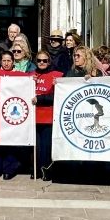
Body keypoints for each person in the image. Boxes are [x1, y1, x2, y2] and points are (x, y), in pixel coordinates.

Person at [31, 50, 64, 181]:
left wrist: (40, 98)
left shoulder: (57, 75)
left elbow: (58, 95)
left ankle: (46, 171)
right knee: (35, 147)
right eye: (39, 60)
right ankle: (36, 170)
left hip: (48, 117)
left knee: (46, 147)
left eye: (45, 60)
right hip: (32, 117)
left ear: (49, 62)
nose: (42, 63)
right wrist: (27, 81)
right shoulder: (30, 75)